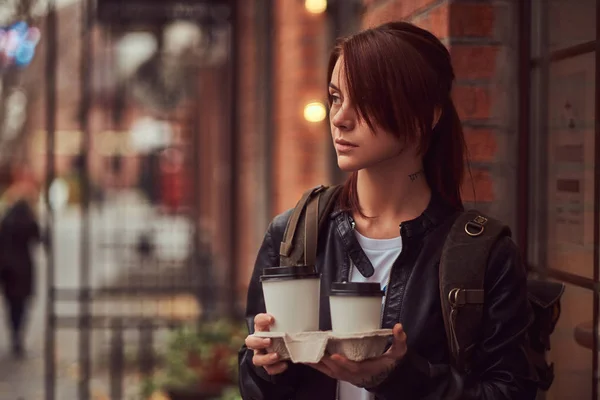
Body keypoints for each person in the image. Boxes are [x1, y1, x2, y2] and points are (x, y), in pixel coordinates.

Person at [238, 21, 537, 400]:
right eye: (335, 97)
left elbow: (510, 392)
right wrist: (265, 369)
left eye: (363, 100)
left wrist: (400, 377)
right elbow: (253, 385)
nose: (339, 117)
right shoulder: (294, 234)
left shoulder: (484, 254)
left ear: (427, 115)